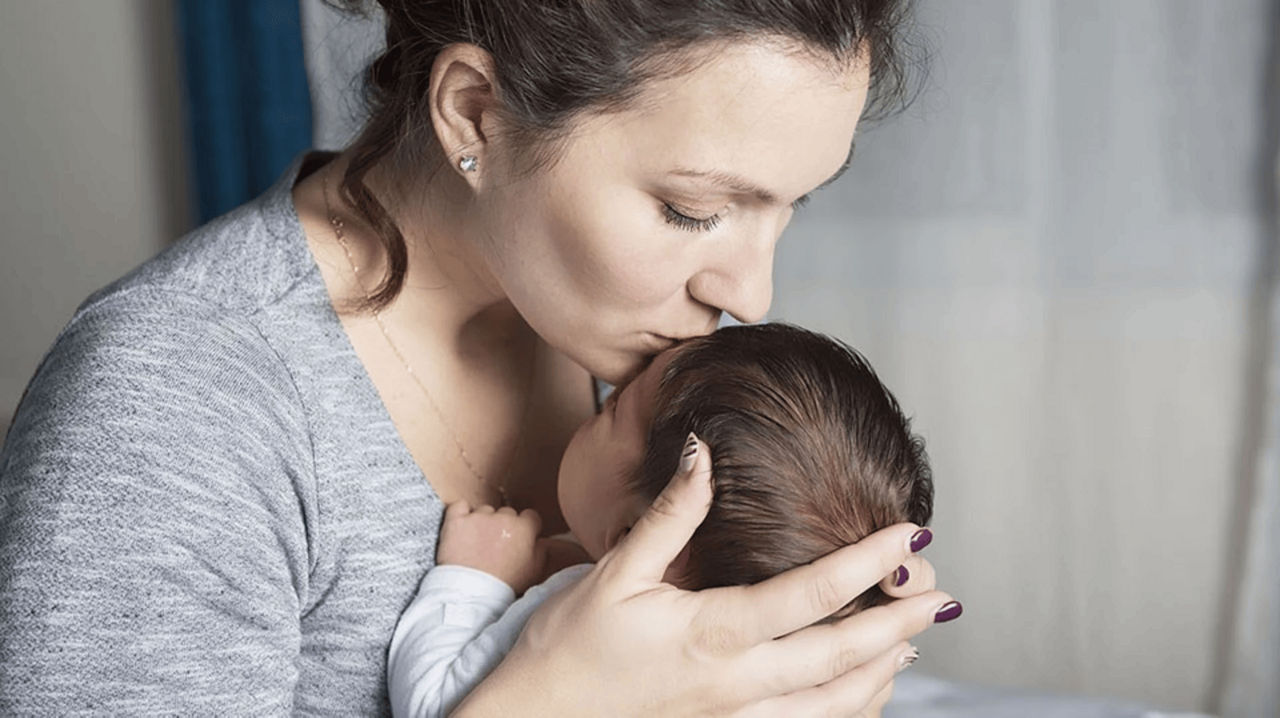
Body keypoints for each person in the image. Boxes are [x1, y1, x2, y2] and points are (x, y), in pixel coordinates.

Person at [0, 1, 960, 715]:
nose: (751, 296)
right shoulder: (181, 406)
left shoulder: (635, 356)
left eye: (793, 204)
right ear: (474, 114)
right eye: (692, 211)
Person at [387, 323, 954, 718]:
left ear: (642, 535)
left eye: (614, 409)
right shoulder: (779, 673)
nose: (605, 393)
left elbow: (435, 702)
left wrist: (475, 580)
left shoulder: (583, 625)